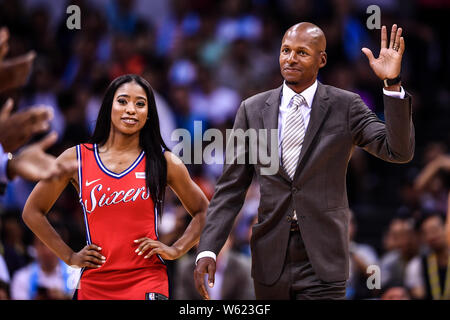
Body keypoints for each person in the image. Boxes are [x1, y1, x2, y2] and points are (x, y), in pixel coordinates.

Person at [194, 22, 414, 300]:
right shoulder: (252, 110)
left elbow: (398, 150)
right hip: (270, 256)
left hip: (323, 255)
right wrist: (208, 248)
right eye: (285, 50)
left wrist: (392, 85)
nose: (290, 58)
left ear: (321, 59)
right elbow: (231, 187)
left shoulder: (345, 106)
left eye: (301, 52)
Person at [22, 74, 209, 300]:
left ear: (148, 114)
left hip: (147, 280)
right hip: (94, 285)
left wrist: (177, 249)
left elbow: (205, 211)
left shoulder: (164, 161)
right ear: (108, 106)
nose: (131, 109)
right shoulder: (77, 158)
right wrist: (69, 256)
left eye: (140, 104)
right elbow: (32, 211)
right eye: (122, 101)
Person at [405, 212, 450, 300]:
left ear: (446, 228)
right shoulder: (416, 265)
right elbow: (417, 294)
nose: (432, 236)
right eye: (426, 233)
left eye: (435, 230)